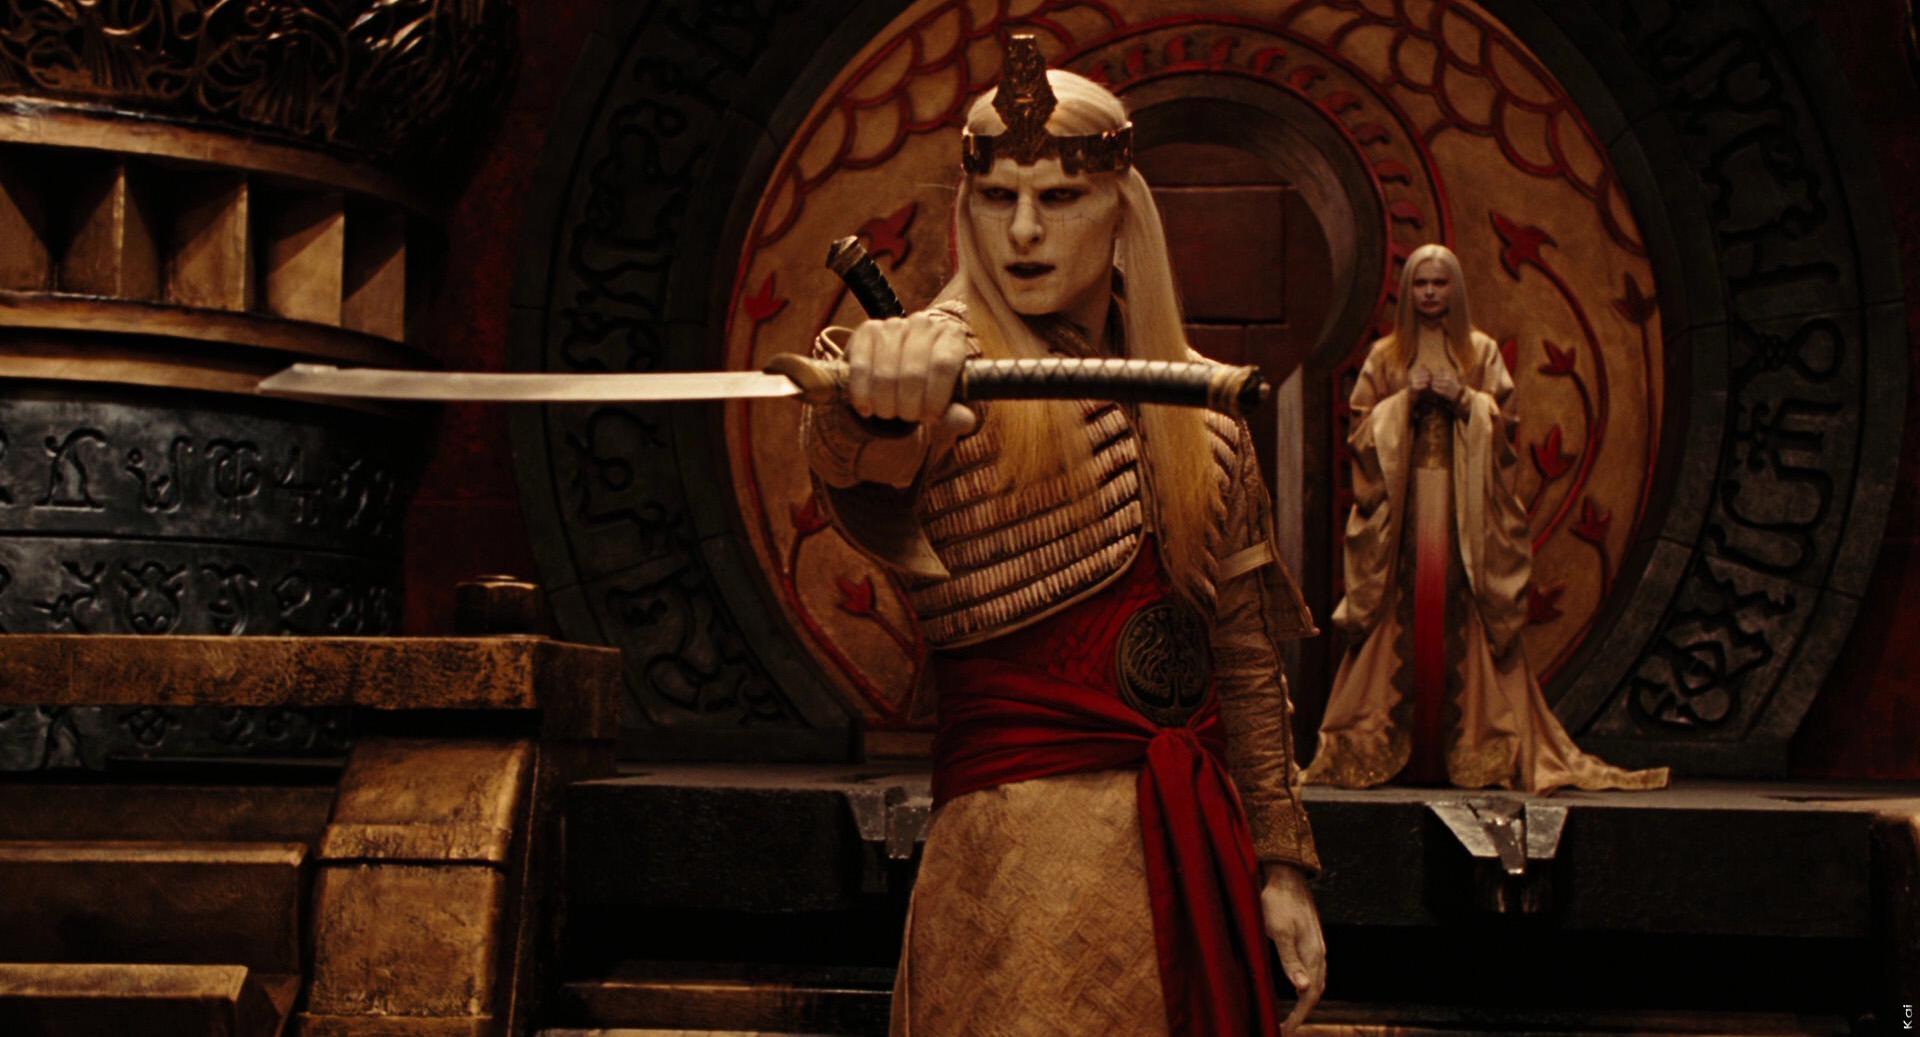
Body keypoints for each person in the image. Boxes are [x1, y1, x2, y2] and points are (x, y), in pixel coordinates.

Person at [799, 35, 1326, 1037]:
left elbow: (1246, 662)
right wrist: (877, 401)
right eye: (997, 198)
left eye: (1061, 197)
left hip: (1196, 853)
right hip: (1014, 875)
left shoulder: (1205, 413)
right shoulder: (938, 370)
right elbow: (858, 464)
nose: (1025, 231)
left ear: (1122, 210)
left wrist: (1282, 864)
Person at [1303, 243, 1668, 792]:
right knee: (1395, 612)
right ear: (1407, 290)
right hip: (1402, 515)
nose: (1430, 293)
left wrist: (1467, 402)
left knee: (1467, 608)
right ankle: (1375, 742)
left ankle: (1477, 741)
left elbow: (1506, 430)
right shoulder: (1386, 356)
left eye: (1439, 283)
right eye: (1421, 283)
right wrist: (1401, 405)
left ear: (1456, 288)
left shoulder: (1480, 352)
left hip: (1466, 510)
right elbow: (1360, 430)